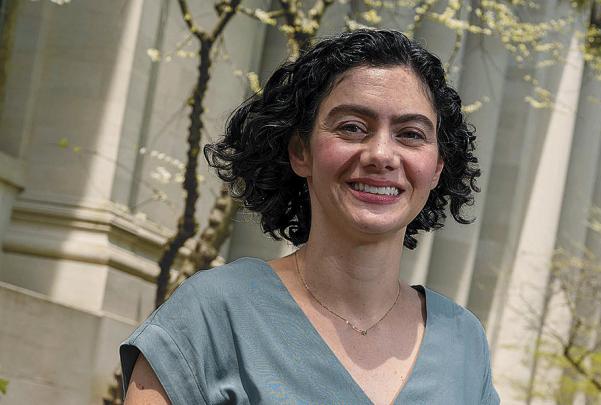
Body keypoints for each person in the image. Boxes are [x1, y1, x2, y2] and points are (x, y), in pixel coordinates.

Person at [120, 29, 499, 404]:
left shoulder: (462, 342)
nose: (382, 154)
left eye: (411, 134)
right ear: (301, 152)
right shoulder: (212, 316)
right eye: (352, 127)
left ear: (436, 169)